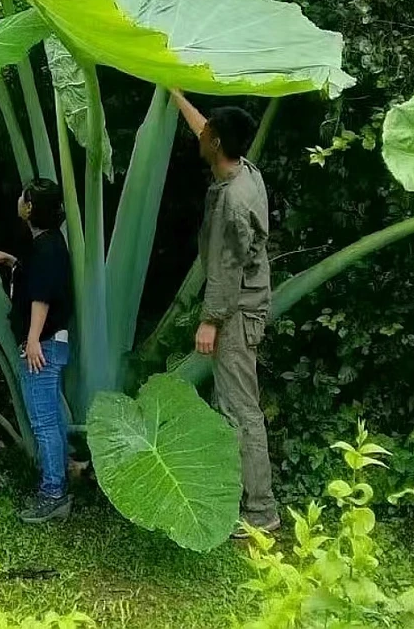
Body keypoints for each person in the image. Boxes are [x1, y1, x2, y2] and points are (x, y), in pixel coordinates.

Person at [170, 90, 280, 538]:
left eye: (207, 133)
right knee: (233, 405)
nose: (201, 134)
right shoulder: (244, 169)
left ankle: (260, 512)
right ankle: (244, 502)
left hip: (236, 312)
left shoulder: (235, 202)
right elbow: (205, 127)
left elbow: (228, 269)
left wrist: (210, 321)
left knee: (240, 410)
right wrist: (173, 92)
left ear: (216, 144)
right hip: (245, 304)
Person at [0, 178, 74, 524]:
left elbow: (42, 296)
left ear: (30, 208)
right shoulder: (49, 243)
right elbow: (39, 280)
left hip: (43, 345)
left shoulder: (45, 248)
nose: (19, 201)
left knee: (44, 422)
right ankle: (60, 481)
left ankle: (53, 494)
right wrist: (13, 261)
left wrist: (33, 339)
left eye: (24, 197)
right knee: (52, 419)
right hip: (52, 342)